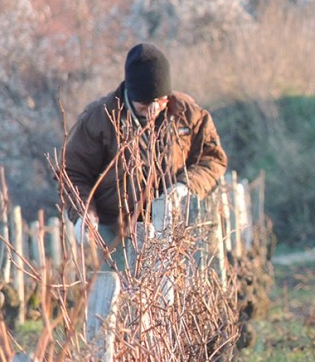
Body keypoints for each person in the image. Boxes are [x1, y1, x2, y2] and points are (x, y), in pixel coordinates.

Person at [61, 43, 228, 270]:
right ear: (131, 93)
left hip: (174, 229)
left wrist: (184, 186)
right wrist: (84, 214)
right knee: (124, 295)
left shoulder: (187, 114)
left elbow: (212, 158)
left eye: (160, 101)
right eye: (145, 104)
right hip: (116, 232)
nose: (153, 109)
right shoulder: (99, 119)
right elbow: (71, 173)